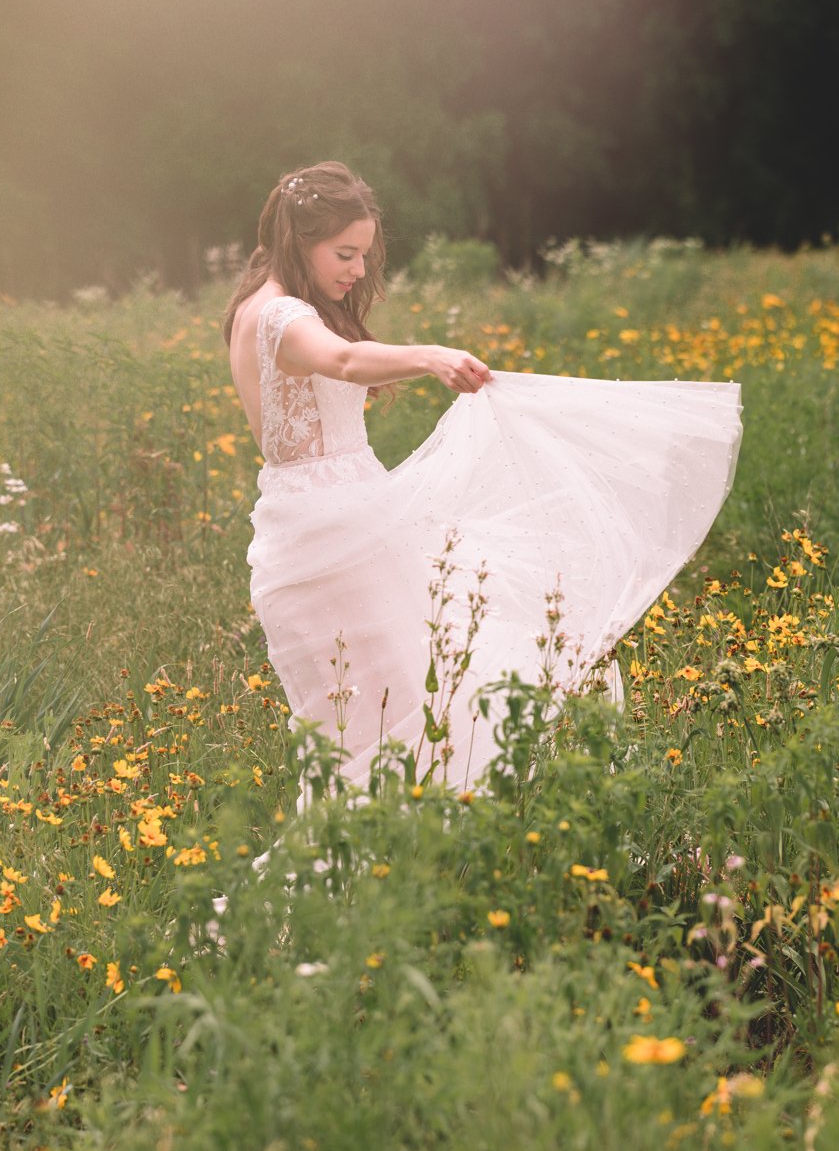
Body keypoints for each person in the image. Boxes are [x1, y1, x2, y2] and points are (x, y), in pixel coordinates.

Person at [222, 160, 742, 799]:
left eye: (364, 255)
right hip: (335, 533)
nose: (358, 270)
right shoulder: (281, 316)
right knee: (407, 698)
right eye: (345, 253)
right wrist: (431, 356)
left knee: (392, 706)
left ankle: (392, 851)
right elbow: (344, 358)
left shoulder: (256, 307)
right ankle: (412, 845)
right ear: (299, 241)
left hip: (321, 522)